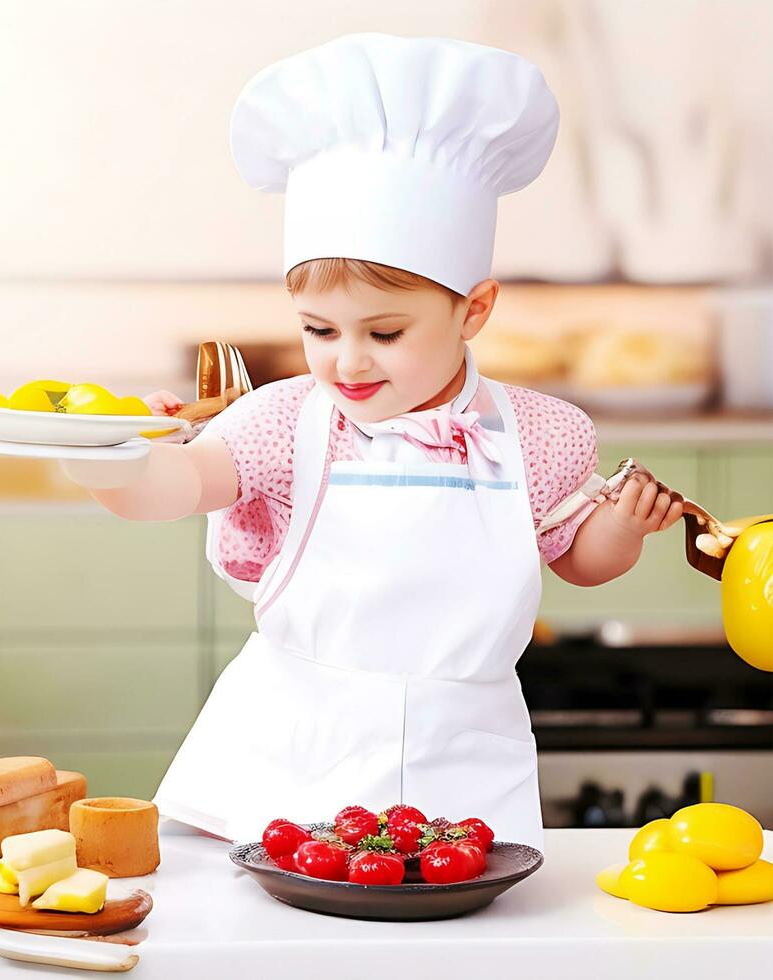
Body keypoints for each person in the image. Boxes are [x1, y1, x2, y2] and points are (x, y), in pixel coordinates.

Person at [63, 35, 683, 850]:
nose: (346, 361)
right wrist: (110, 454)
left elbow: (579, 561)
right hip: (285, 750)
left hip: (463, 755)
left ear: (475, 310)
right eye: (319, 328)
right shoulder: (283, 420)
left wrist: (623, 528)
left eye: (385, 332)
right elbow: (165, 491)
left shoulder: (539, 432)